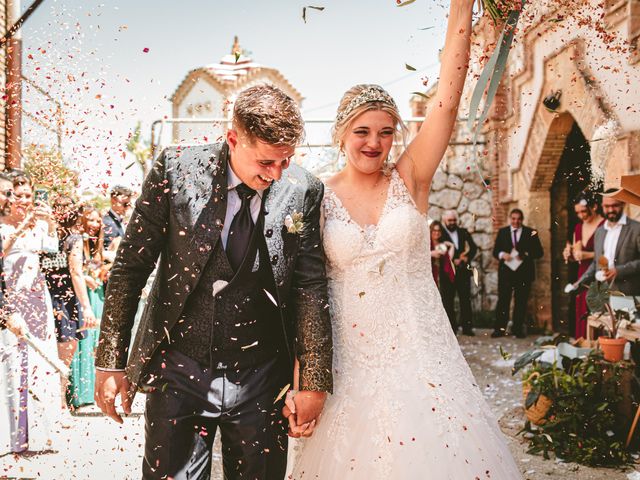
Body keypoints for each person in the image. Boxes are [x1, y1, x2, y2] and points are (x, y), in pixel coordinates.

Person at [288, 2, 521, 478]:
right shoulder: (313, 197)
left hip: (420, 355)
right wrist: (301, 382)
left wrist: (463, 8)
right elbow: (304, 297)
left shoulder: (410, 179)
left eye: (386, 132)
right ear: (339, 135)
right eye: (362, 131)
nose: (374, 142)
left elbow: (447, 102)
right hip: (347, 365)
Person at [94, 84, 333, 480]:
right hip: (178, 368)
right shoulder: (174, 170)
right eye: (266, 162)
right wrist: (109, 361)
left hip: (262, 376)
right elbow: (129, 269)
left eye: (286, 161)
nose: (276, 174)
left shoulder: (304, 189)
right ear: (234, 138)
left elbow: (310, 287)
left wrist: (313, 381)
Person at [0, 174, 60, 454]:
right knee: (12, 363)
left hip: (37, 299)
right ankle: (12, 437)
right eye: (18, 195)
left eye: (27, 195)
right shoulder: (3, 226)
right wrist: (23, 224)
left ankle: (40, 434)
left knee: (38, 364)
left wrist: (49, 223)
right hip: (12, 299)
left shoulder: (36, 227)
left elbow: (52, 249)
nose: (23, 201)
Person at [42, 196, 98, 409]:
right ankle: (60, 405)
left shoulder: (47, 235)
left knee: (57, 354)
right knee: (63, 356)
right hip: (60, 301)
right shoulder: (71, 238)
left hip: (51, 299)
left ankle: (59, 403)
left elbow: (74, 272)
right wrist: (86, 307)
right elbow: (74, 272)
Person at [67, 204, 106, 408]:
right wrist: (87, 275)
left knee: (94, 344)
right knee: (83, 341)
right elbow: (74, 269)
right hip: (83, 297)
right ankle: (79, 394)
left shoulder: (94, 244)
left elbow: (97, 269)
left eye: (98, 220)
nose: (95, 224)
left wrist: (100, 270)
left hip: (97, 296)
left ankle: (91, 391)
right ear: (81, 220)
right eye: (90, 219)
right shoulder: (75, 241)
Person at [492, 208, 544, 338]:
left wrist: (525, 254)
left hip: (523, 274)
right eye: (513, 219)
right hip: (506, 274)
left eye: (519, 219)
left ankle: (517, 329)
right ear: (510, 219)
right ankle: (499, 329)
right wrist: (503, 255)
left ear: (522, 219)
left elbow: (539, 252)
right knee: (503, 301)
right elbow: (495, 251)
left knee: (521, 302)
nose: (516, 221)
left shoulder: (530, 232)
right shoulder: (502, 232)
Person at [578, 191, 640, 296]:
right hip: (602, 295)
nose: (611, 210)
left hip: (629, 294)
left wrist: (619, 271)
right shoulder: (599, 231)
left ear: (623, 204)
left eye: (615, 205)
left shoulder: (637, 228)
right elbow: (596, 262)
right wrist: (579, 282)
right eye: (607, 206)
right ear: (602, 206)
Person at [562, 193, 604, 338]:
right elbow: (577, 253)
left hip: (599, 274)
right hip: (582, 273)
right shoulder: (578, 227)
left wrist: (589, 255)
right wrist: (570, 254)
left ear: (594, 207)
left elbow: (610, 254)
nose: (581, 215)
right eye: (577, 212)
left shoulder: (604, 225)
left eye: (584, 211)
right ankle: (583, 343)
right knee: (582, 309)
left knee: (597, 310)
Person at [440, 209, 478, 335]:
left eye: (454, 220)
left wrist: (466, 257)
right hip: (447, 273)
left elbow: (473, 247)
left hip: (463, 272)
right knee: (448, 301)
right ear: (444, 220)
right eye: (450, 220)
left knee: (465, 300)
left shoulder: (463, 232)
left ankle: (467, 328)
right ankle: (452, 328)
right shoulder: (439, 235)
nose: (452, 222)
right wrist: (452, 259)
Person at [102, 185, 132, 250]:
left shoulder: (118, 221)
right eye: (125, 204)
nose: (128, 208)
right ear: (113, 201)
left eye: (129, 204)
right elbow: (107, 252)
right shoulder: (108, 223)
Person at [429, 220, 455, 288]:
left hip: (440, 276)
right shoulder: (426, 244)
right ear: (431, 231)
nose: (436, 233)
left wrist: (452, 246)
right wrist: (431, 254)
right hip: (429, 276)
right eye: (434, 230)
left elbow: (448, 260)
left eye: (439, 230)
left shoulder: (441, 245)